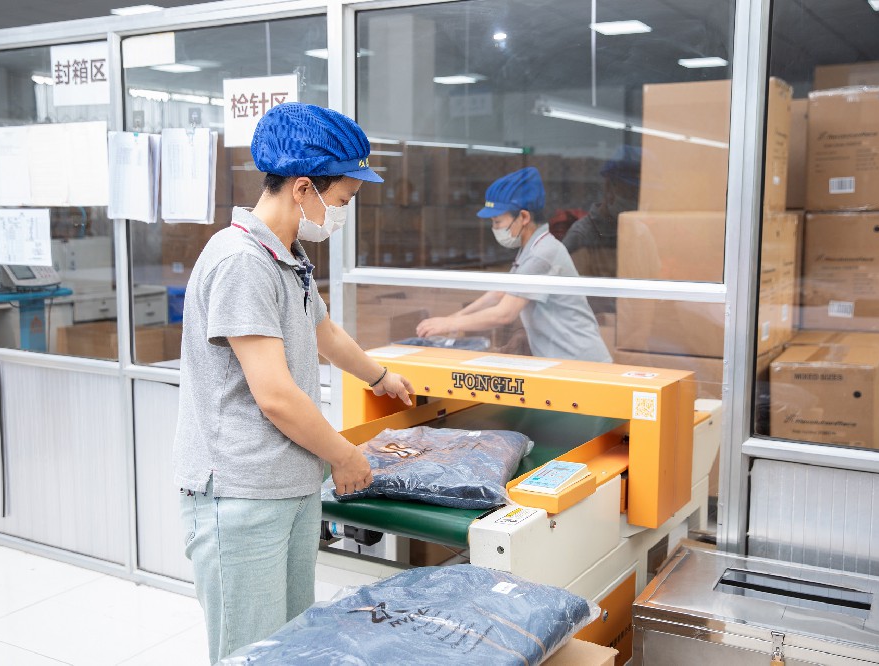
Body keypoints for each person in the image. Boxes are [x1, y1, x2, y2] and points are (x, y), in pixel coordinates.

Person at [173, 102, 415, 664]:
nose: (342, 213)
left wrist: (381, 377)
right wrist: (345, 456)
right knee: (249, 652)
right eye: (343, 200)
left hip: (290, 484)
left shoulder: (286, 254)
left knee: (289, 646)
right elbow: (276, 396)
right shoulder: (241, 262)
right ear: (303, 188)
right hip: (241, 493)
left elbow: (324, 333)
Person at [416, 166, 611, 363]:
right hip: (561, 360)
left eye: (498, 222)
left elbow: (504, 314)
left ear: (524, 217)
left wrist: (450, 324)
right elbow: (499, 294)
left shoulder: (542, 254)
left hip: (580, 361)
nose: (494, 228)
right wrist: (454, 317)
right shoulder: (530, 248)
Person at [560, 145, 641, 281]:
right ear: (609, 187)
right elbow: (569, 291)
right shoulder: (581, 237)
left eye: (639, 194)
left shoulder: (640, 233)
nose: (635, 200)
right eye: (630, 191)